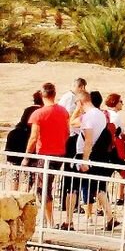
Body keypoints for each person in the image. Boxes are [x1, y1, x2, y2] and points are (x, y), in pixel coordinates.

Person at [65, 91, 118, 231]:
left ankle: (69, 221)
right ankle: (110, 217)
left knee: (72, 188)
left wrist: (84, 161)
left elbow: (85, 138)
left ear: (80, 102)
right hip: (97, 155)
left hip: (84, 156)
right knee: (98, 187)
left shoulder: (87, 117)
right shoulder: (100, 115)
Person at [23, 83, 69, 226]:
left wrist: (27, 156)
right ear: (54, 94)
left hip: (44, 154)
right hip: (59, 153)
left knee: (42, 189)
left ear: (42, 95)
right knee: (45, 186)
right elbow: (67, 132)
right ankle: (46, 219)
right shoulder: (63, 111)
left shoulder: (38, 114)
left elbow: (33, 137)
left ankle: (49, 222)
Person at [7, 90, 41, 190]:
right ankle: (24, 199)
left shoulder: (28, 109)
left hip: (14, 137)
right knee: (28, 175)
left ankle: (12, 196)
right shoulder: (41, 111)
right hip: (27, 139)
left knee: (14, 173)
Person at [104, 94, 125, 206]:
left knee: (106, 174)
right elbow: (121, 134)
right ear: (116, 102)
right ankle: (120, 196)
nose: (122, 104)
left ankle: (108, 198)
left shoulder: (104, 113)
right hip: (114, 149)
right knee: (124, 171)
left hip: (106, 147)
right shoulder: (116, 116)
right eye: (121, 101)